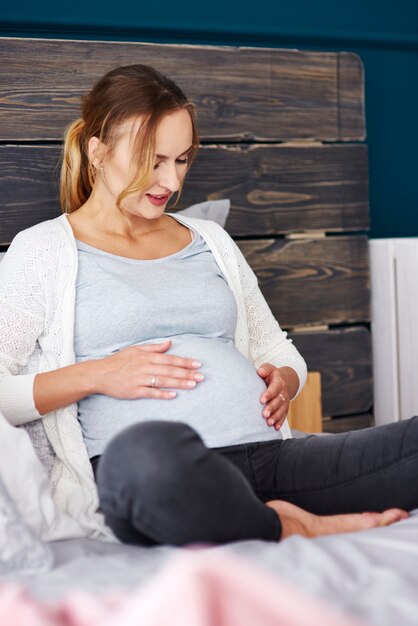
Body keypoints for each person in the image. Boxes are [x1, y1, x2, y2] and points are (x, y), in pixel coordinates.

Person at [0, 64, 416, 546]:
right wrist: (99, 374)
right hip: (154, 473)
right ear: (97, 151)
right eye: (152, 161)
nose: (170, 182)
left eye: (181, 160)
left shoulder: (211, 240)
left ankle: (263, 514)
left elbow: (278, 351)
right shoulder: (43, 251)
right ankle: (285, 525)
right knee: (147, 455)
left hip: (270, 456)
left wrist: (285, 381)